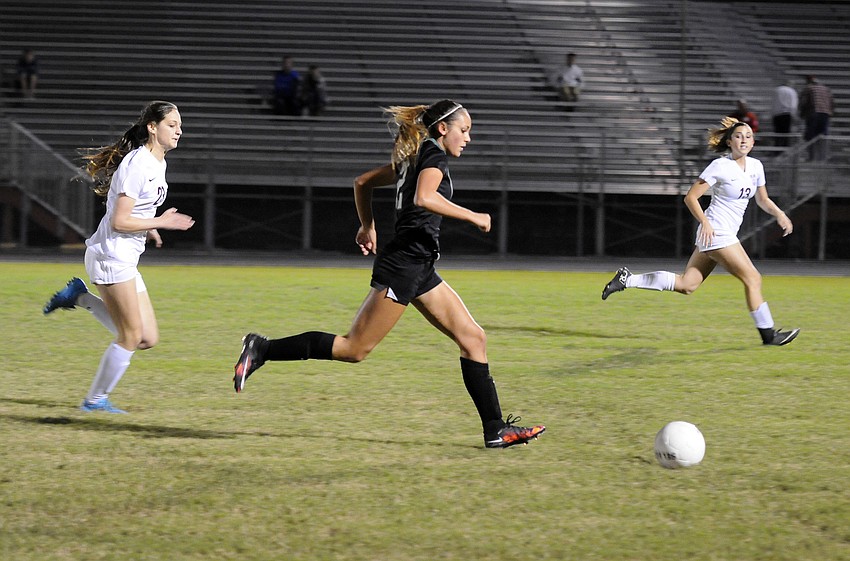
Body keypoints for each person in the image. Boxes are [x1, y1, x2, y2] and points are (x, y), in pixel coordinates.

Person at [233, 99, 545, 448]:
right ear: (443, 129)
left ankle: (496, 429)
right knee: (354, 349)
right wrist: (474, 216)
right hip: (404, 266)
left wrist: (368, 226)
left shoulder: (414, 155)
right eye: (464, 130)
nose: (468, 138)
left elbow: (362, 182)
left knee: (474, 338)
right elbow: (425, 198)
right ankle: (262, 348)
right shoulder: (431, 155)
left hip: (419, 265)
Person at [43, 101, 195, 413]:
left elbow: (134, 210)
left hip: (124, 257)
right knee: (130, 336)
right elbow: (119, 221)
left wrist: (149, 228)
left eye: (180, 125)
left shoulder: (157, 162)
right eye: (172, 124)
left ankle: (80, 298)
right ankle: (94, 400)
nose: (179, 130)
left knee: (147, 338)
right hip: (110, 256)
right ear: (152, 127)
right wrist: (160, 222)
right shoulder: (138, 164)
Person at [601, 116, 799, 347]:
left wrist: (779, 214)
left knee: (687, 285)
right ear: (729, 142)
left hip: (719, 235)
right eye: (738, 136)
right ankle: (769, 336)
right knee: (753, 278)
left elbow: (763, 199)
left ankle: (627, 279)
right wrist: (705, 222)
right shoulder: (720, 165)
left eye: (748, 136)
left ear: (753, 142)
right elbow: (691, 197)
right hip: (717, 232)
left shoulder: (756, 167)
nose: (743, 140)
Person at [798, 75, 833, 161]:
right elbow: (832, 102)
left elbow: (804, 102)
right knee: (822, 136)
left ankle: (811, 157)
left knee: (810, 136)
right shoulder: (826, 89)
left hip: (813, 113)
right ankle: (822, 157)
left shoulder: (809, 88)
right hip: (825, 113)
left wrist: (802, 114)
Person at [771, 81, 798, 148]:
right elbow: (794, 103)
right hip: (787, 114)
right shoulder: (792, 91)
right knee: (786, 133)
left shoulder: (777, 90)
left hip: (777, 113)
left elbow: (773, 102)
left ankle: (777, 148)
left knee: (778, 133)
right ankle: (785, 147)